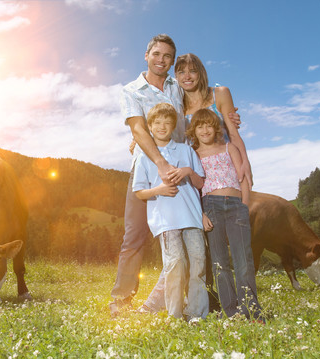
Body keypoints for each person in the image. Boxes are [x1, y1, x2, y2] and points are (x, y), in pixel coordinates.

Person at [110, 34, 241, 317]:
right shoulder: (131, 90)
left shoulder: (175, 86)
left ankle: (200, 297)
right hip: (147, 167)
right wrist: (158, 162)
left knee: (194, 232)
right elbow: (138, 128)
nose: (162, 60)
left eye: (168, 56)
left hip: (183, 167)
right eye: (157, 54)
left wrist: (227, 114)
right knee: (135, 234)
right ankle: (121, 298)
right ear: (146, 55)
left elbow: (199, 103)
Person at [132, 103, 208, 320]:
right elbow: (139, 192)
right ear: (150, 126)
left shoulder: (186, 150)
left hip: (192, 218)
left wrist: (187, 171)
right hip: (166, 220)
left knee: (198, 264)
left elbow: (200, 183)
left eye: (167, 122)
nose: (162, 126)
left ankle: (196, 314)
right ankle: (174, 315)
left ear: (173, 125)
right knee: (175, 265)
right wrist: (160, 190)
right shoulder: (144, 157)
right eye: (157, 122)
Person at [186, 108, 263, 321]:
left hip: (236, 205)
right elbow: (194, 189)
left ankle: (252, 310)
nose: (204, 130)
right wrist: (201, 214)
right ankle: (231, 311)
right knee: (219, 261)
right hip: (210, 205)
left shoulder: (230, 148)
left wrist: (244, 206)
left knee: (243, 260)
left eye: (208, 125)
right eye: (199, 126)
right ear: (194, 129)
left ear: (217, 128)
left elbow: (243, 180)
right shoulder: (194, 154)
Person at [175, 53, 252, 188]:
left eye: (192, 71)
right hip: (198, 172)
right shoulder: (178, 107)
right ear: (176, 76)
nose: (187, 77)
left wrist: (245, 162)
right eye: (181, 72)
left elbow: (234, 134)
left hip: (226, 167)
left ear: (201, 73)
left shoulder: (220, 94)